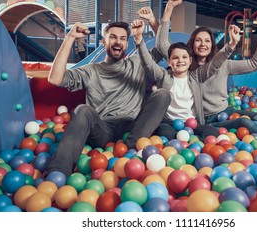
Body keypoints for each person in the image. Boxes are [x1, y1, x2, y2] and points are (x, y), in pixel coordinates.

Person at [157, 0, 257, 138]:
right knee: (246, 123)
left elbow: (255, 64)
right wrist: (169, 9)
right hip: (208, 120)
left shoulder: (224, 64)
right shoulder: (185, 66)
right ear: (192, 44)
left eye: (207, 40)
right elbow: (162, 45)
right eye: (198, 40)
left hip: (227, 111)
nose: (203, 44)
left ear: (212, 44)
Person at [45, 21, 171, 176]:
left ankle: (132, 148)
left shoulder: (138, 62)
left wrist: (148, 27)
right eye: (113, 37)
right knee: (82, 110)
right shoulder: (91, 71)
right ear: (104, 42)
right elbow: (55, 79)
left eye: (123, 38)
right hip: (103, 130)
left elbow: (165, 48)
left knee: (163, 95)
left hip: (134, 128)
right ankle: (57, 173)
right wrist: (70, 37)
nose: (118, 41)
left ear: (126, 43)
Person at [133, 18, 241, 141]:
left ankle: (196, 148)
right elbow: (148, 63)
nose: (180, 61)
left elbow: (216, 63)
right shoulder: (163, 75)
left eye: (184, 57)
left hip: (192, 122)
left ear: (190, 61)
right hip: (170, 122)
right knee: (166, 134)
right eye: (175, 58)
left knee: (212, 132)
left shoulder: (196, 76)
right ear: (169, 61)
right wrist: (138, 40)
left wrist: (231, 44)